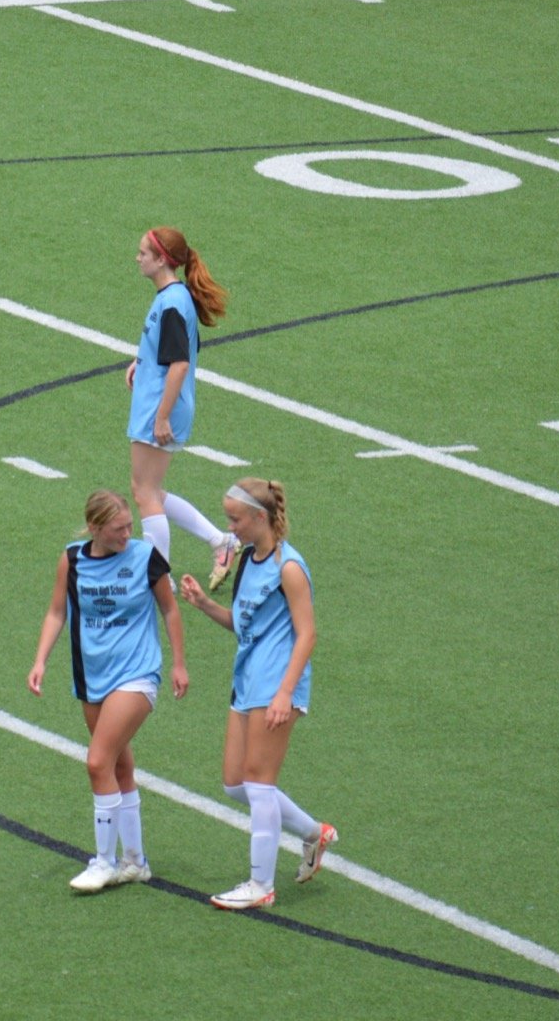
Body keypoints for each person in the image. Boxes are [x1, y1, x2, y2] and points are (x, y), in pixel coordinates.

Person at [177, 478, 336, 911]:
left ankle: (260, 885)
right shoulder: (248, 560)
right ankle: (314, 833)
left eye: (235, 519)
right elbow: (242, 624)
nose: (230, 528)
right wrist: (203, 604)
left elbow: (307, 634)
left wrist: (285, 693)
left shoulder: (289, 567)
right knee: (235, 783)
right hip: (247, 679)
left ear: (259, 517)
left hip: (276, 683)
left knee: (260, 783)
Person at [29, 489, 190, 893]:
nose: (127, 534)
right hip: (92, 677)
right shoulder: (72, 560)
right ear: (94, 528)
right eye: (119, 529)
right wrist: (40, 660)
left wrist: (178, 664)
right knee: (119, 766)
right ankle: (135, 861)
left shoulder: (146, 558)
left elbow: (170, 609)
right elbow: (57, 612)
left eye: (129, 526)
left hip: (136, 674)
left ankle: (104, 862)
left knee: (98, 762)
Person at [126, 226, 241, 588]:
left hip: (159, 409)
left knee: (144, 492)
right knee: (150, 490)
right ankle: (220, 541)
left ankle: (159, 578)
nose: (137, 258)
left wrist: (161, 416)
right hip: (157, 404)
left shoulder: (173, 302)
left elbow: (179, 364)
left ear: (162, 260)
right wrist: (140, 362)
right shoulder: (173, 298)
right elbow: (175, 350)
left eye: (144, 253)